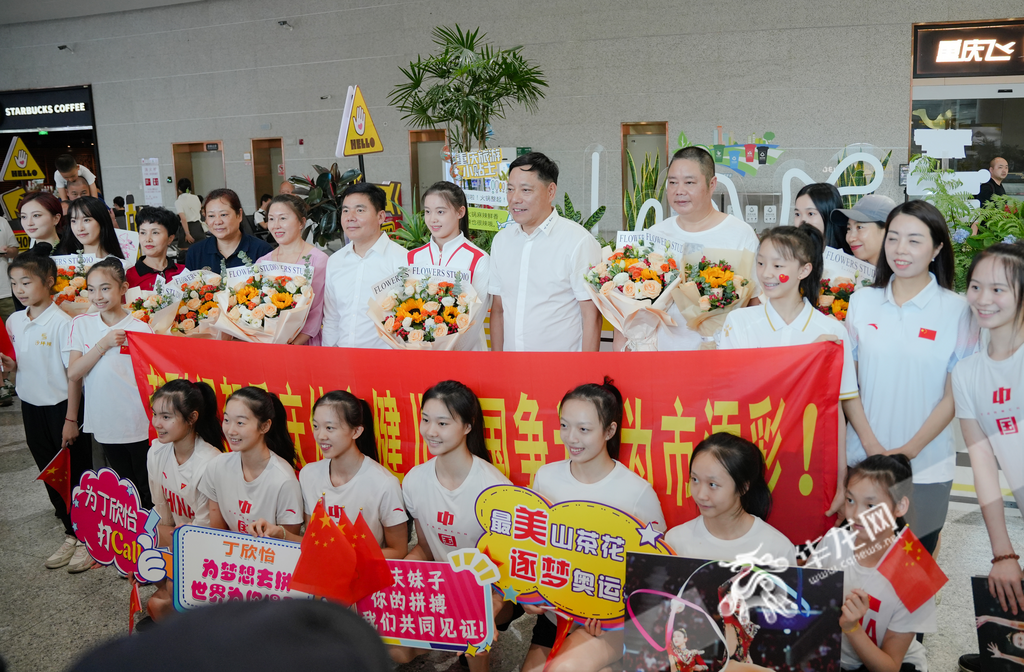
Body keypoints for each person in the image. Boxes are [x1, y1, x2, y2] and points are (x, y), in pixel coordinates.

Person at [842, 200, 974, 555]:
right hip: (861, 463)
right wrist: (872, 447)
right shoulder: (862, 302)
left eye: (914, 240)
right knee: (859, 574)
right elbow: (848, 386)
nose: (901, 250)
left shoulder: (958, 310)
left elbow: (953, 396)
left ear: (937, 248)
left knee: (912, 580)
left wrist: (907, 452)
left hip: (927, 467)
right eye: (894, 238)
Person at [521, 378, 667, 672]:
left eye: (584, 429)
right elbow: (532, 545)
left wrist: (613, 611)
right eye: (564, 425)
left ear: (609, 430)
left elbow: (656, 572)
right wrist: (528, 596)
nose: (571, 438)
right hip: (555, 614)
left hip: (610, 625)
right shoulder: (546, 477)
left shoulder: (636, 493)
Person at [720, 225, 858, 516]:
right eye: (760, 263)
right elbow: (734, 391)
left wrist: (841, 476)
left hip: (807, 459)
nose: (767, 273)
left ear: (804, 270)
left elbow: (838, 412)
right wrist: (807, 358)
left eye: (778, 265)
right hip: (748, 454)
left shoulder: (831, 331)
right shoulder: (739, 322)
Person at [397, 380, 512, 672]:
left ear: (467, 426)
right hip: (441, 588)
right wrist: (404, 577)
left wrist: (492, 605)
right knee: (398, 651)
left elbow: (510, 569)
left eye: (442, 423)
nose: (430, 431)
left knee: (471, 628)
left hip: (494, 592)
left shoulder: (494, 489)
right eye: (425, 420)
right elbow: (424, 547)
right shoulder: (414, 480)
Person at [3, 244, 93, 573]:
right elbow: (23, 365)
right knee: (50, 472)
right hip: (31, 406)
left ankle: (88, 537)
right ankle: (70, 530)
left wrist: (71, 419)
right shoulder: (14, 321)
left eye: (27, 282)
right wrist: (10, 365)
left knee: (77, 473)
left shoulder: (63, 323)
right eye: (14, 283)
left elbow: (74, 378)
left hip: (61, 409)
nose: (20, 290)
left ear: (49, 282)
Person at [952, 244, 1024, 614]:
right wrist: (1003, 552)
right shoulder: (967, 373)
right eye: (976, 287)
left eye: (998, 289)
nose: (983, 299)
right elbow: (982, 465)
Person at [815, 454, 935, 672]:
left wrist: (852, 628)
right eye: (850, 500)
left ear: (900, 506)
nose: (856, 514)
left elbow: (889, 666)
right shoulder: (834, 542)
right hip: (832, 657)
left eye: (871, 505)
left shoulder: (915, 572)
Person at [251, 390, 407, 556]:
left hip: (364, 577)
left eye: (330, 428)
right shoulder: (309, 475)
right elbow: (314, 543)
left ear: (356, 431)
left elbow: (399, 550)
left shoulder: (383, 483)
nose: (320, 436)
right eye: (316, 426)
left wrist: (351, 557)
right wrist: (279, 533)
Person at [643, 146, 761, 351]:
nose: (679, 190)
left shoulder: (739, 234)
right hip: (666, 353)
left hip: (725, 352)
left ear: (712, 184)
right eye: (672, 182)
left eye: (689, 182)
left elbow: (755, 302)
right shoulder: (655, 234)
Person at [489, 152, 602, 352]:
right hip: (511, 366)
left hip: (561, 369)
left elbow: (591, 315)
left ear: (550, 191)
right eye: (510, 189)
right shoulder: (502, 241)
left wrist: (587, 373)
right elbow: (498, 310)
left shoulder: (578, 241)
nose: (515, 199)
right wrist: (497, 363)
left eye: (525, 190)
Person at [67, 257, 154, 509]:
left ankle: (155, 539)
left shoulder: (140, 327)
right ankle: (133, 539)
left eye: (105, 288)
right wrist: (103, 344)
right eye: (91, 289)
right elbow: (74, 373)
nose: (98, 296)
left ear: (123, 289)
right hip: (105, 420)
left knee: (147, 484)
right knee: (124, 485)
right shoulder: (81, 324)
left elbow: (149, 378)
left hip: (139, 420)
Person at [144, 379, 224, 621]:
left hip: (207, 549)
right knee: (143, 567)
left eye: (166, 416)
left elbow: (205, 535)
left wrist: (161, 539)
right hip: (177, 539)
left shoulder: (210, 463)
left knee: (159, 604)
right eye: (155, 414)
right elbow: (160, 514)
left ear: (192, 418)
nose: (157, 423)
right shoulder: (156, 451)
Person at [664, 433, 796, 564]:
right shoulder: (675, 541)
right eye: (695, 479)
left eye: (713, 484)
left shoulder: (777, 549)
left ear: (743, 488)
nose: (700, 495)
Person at [198, 386, 303, 536]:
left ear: (265, 426)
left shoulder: (283, 480)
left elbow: (288, 543)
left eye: (240, 423)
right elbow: (218, 534)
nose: (230, 430)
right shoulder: (217, 466)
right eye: (227, 420)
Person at [407, 181, 491, 350]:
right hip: (420, 354)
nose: (433, 219)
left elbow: (476, 318)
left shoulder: (478, 259)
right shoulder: (412, 257)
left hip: (466, 355)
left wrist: (447, 352)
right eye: (428, 212)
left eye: (440, 212)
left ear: (460, 212)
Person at [321, 183, 406, 348]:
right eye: (345, 210)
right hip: (342, 360)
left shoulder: (402, 260)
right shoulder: (335, 261)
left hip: (385, 361)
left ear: (381, 217)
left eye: (359, 210)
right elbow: (332, 317)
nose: (350, 217)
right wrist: (329, 355)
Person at [257, 194, 328, 345]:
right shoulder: (263, 262)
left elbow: (317, 311)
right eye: (271, 219)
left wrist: (293, 345)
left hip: (304, 343)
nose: (276, 225)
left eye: (283, 218)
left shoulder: (318, 260)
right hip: (269, 343)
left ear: (302, 222)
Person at [184, 189, 271, 271]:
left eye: (224, 214)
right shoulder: (195, 253)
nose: (218, 222)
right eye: (211, 216)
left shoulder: (262, 251)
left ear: (239, 215)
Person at [126, 207, 185, 290]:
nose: (148, 239)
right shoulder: (128, 277)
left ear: (170, 238)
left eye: (155, 232)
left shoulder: (183, 273)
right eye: (143, 232)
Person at [831, 194, 896, 268]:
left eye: (860, 227)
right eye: (848, 228)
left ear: (887, 230)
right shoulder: (844, 274)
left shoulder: (903, 276)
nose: (850, 238)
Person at [56, 196, 125, 260]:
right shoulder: (66, 266)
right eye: (74, 221)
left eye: (86, 220)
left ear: (102, 221)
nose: (80, 228)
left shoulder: (123, 266)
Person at [794, 182, 849, 253]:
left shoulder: (851, 259)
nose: (802, 221)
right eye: (797, 214)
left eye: (810, 213)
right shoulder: (791, 255)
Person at [174, 178, 205, 248]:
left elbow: (183, 218)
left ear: (179, 189)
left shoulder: (178, 201)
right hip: (199, 227)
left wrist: (187, 233)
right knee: (200, 253)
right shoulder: (196, 197)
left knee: (185, 255)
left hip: (187, 228)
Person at [0, 216, 19, 323]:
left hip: (5, 292)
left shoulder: (2, 221)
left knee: (12, 331)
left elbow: (15, 250)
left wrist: (6, 251)